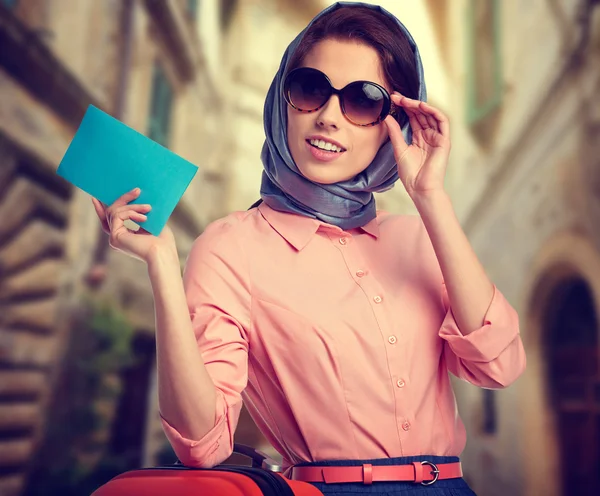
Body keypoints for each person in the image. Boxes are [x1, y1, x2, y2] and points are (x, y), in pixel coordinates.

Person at [92, 2, 526, 494]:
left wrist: (431, 197)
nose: (328, 117)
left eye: (362, 100)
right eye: (310, 89)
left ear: (395, 121)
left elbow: (499, 366)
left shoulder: (417, 235)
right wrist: (162, 265)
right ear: (282, 98)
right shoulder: (232, 246)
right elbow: (202, 445)